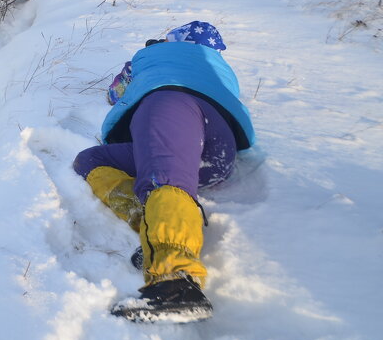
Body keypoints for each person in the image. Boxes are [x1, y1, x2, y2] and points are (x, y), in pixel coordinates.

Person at [72, 20, 255, 322]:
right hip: (217, 156)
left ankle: (176, 281)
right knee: (91, 160)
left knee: (164, 176)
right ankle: (152, 226)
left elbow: (116, 93)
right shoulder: (219, 67)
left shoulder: (154, 55)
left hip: (171, 103)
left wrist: (140, 65)